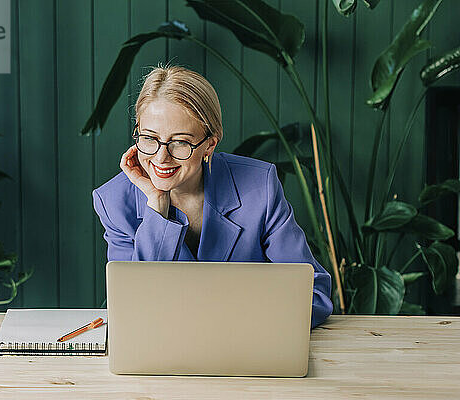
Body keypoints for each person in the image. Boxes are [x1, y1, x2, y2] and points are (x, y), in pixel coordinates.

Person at [92, 65, 333, 328]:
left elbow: (314, 293)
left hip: (247, 350)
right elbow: (133, 308)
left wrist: (236, 328)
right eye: (150, 138)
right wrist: (157, 206)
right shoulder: (113, 201)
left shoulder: (259, 186)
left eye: (180, 142)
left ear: (210, 144)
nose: (161, 158)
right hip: (163, 360)